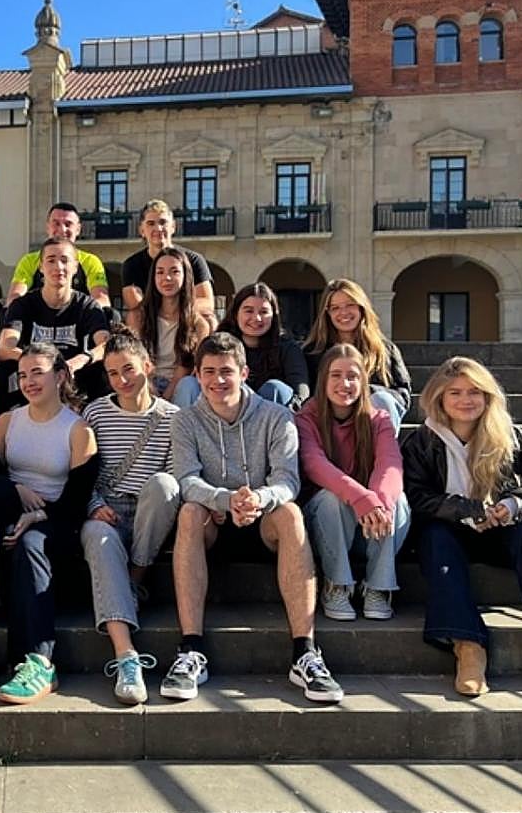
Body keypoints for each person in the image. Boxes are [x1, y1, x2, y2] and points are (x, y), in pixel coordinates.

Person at [163, 332, 343, 704]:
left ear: (244, 372)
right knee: (189, 512)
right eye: (209, 372)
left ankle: (305, 652)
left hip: (263, 521)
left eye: (226, 371)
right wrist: (227, 500)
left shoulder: (277, 417)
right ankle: (190, 650)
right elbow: (186, 480)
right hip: (215, 520)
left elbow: (287, 480)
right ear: (196, 375)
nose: (218, 380)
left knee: (291, 514)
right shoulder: (184, 421)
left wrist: (258, 499)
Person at [401, 356, 522, 698]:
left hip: (504, 532)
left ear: (488, 396)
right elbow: (413, 497)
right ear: (439, 397)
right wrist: (465, 510)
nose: (465, 400)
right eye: (454, 392)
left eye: (475, 392)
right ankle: (467, 645)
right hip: (451, 533)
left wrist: (514, 504)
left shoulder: (511, 438)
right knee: (435, 538)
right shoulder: (421, 442)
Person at [0, 342, 99, 704]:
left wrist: (38, 514)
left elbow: (77, 500)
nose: (29, 381)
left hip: (56, 522)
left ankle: (38, 660)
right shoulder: (7, 421)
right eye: (23, 374)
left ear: (61, 376)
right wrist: (17, 489)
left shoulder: (78, 430)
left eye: (38, 372)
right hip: (10, 516)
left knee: (30, 542)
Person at [80, 327, 181, 703]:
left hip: (150, 512)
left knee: (165, 485)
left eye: (129, 370)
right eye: (112, 373)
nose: (122, 380)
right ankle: (126, 656)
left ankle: (136, 576)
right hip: (106, 508)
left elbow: (175, 477)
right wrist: (92, 505)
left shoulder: (173, 417)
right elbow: (81, 472)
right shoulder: (95, 412)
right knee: (97, 537)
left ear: (148, 367)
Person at [296, 344, 410, 622]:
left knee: (397, 500)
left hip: (372, 528)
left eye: (353, 376)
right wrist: (362, 498)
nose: (344, 384)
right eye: (336, 375)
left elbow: (390, 465)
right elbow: (314, 464)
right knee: (329, 498)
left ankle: (378, 587)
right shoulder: (306, 418)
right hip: (329, 525)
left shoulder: (378, 418)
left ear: (364, 382)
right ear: (323, 379)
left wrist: (378, 502)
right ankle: (337, 584)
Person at [0, 236, 110, 412]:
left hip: (72, 382)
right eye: (51, 260)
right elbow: (4, 348)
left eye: (65, 260)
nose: (58, 267)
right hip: (34, 382)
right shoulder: (23, 305)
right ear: (41, 267)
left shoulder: (87, 306)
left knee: (99, 370)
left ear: (75, 267)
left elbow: (106, 343)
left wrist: (83, 358)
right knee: (5, 371)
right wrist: (40, 365)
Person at [173, 282, 308, 410]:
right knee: (188, 384)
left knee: (276, 388)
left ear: (274, 316)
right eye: (249, 311)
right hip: (218, 414)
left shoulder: (288, 348)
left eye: (264, 312)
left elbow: (300, 391)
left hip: (268, 420)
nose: (257, 318)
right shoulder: (217, 344)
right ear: (235, 313)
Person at [304, 278, 410, 430]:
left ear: (362, 308)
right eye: (335, 308)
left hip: (373, 420)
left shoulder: (385, 349)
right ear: (327, 313)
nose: (343, 312)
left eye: (350, 305)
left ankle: (385, 452)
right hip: (330, 422)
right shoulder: (313, 352)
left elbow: (403, 393)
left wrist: (368, 391)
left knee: (382, 400)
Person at [121, 199, 215, 333]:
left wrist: (176, 311)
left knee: (209, 319)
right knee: (134, 317)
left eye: (163, 222)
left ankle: (203, 353)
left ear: (173, 227)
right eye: (151, 223)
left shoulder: (194, 260)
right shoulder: (131, 265)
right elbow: (136, 305)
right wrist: (167, 311)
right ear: (142, 230)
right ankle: (142, 353)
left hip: (186, 320)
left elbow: (207, 302)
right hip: (152, 323)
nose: (158, 228)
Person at [136, 248, 213, 401]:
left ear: (185, 276)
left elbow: (187, 366)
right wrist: (151, 390)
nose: (167, 278)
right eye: (160, 272)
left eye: (174, 272)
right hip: (146, 383)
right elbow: (136, 360)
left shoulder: (199, 325)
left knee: (188, 384)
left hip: (179, 386)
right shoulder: (140, 317)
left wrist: (165, 397)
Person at [7, 202, 112, 307]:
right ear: (48, 227)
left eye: (68, 224)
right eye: (56, 223)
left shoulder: (91, 261)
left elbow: (102, 299)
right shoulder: (29, 261)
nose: (62, 230)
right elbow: (15, 297)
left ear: (78, 229)